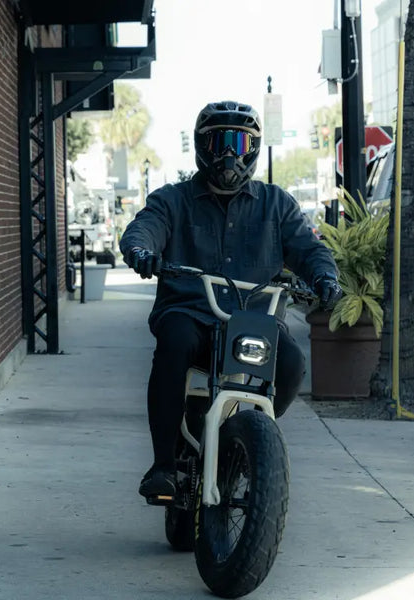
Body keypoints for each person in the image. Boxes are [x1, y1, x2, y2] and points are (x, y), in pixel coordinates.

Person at [119, 100, 342, 502]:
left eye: (238, 143)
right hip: (190, 313)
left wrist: (325, 275)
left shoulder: (277, 204)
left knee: (291, 364)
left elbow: (308, 249)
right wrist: (139, 250)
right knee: (172, 342)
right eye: (219, 142)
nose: (228, 154)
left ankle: (250, 440)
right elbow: (145, 228)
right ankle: (164, 465)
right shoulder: (172, 199)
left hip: (252, 320)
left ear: (253, 148)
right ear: (201, 146)